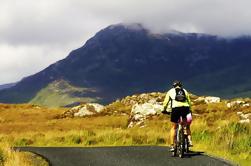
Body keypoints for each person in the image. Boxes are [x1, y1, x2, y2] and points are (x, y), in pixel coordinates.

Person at [162, 80, 193, 152]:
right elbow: (189, 101)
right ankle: (188, 139)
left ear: (173, 86)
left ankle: (172, 145)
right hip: (186, 108)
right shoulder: (184, 91)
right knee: (186, 125)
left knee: (174, 127)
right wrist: (190, 110)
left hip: (176, 109)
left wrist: (164, 109)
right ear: (180, 85)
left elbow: (165, 102)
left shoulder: (170, 91)